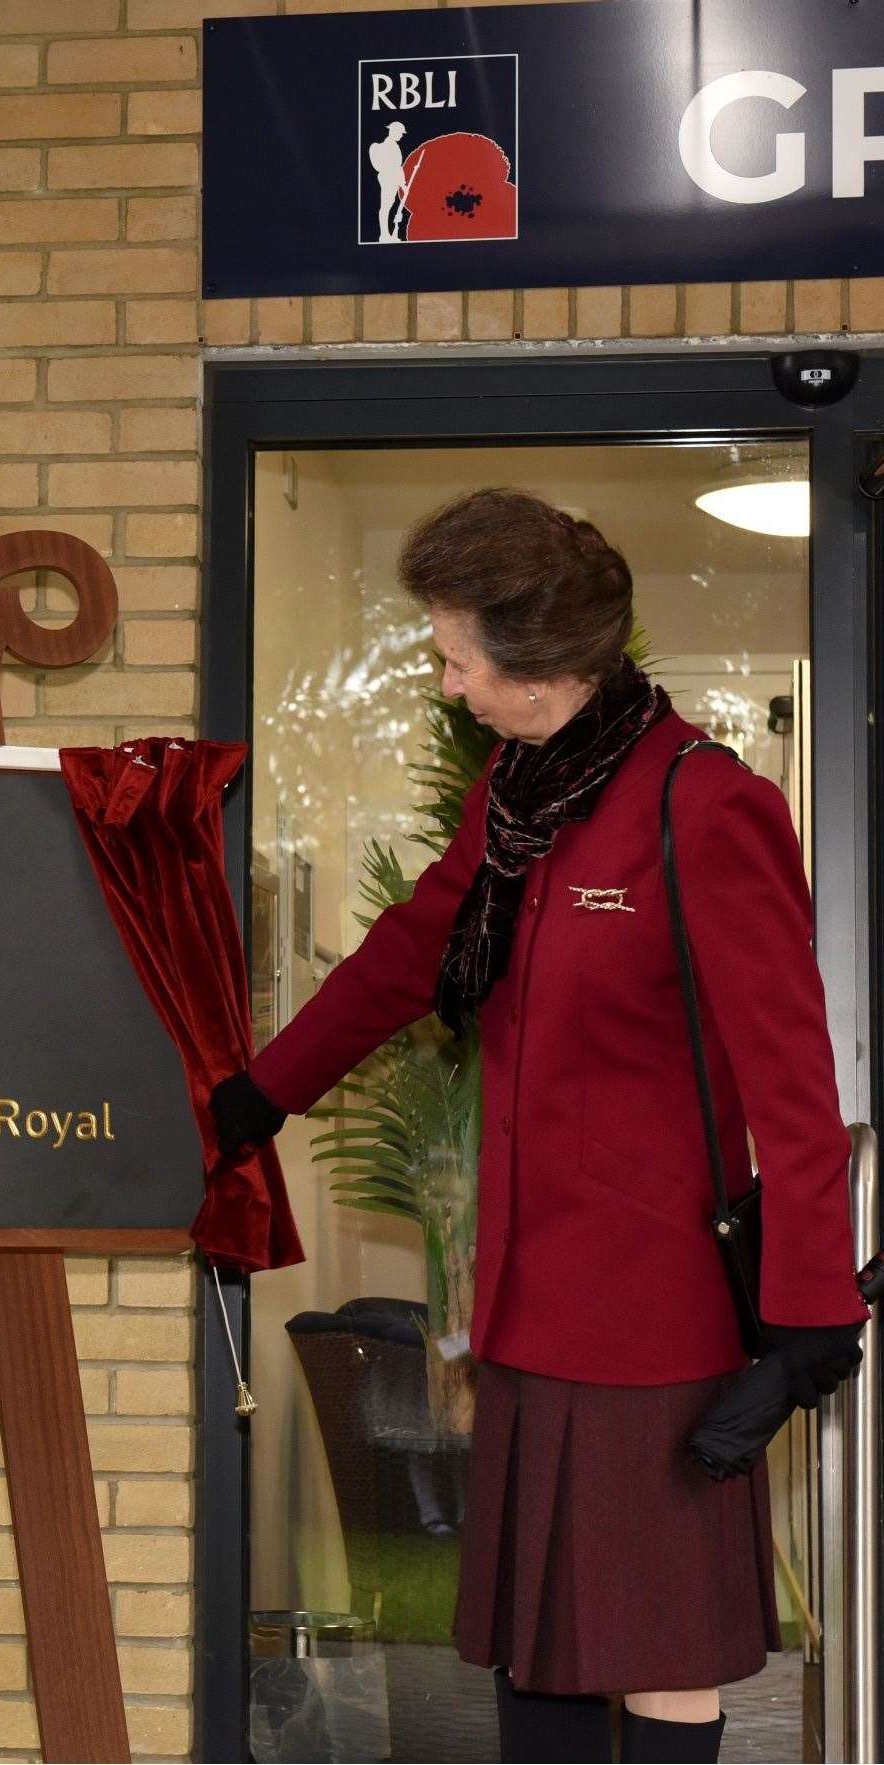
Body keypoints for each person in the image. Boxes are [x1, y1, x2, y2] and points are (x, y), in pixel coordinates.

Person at [212, 487, 866, 1765]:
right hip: (525, 1311)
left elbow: (790, 1083)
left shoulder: (703, 805)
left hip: (652, 1326)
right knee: (537, 1648)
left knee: (661, 1654)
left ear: (545, 665)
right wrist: (259, 1092)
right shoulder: (520, 798)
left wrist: (807, 1316)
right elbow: (411, 952)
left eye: (458, 656)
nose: (449, 684)